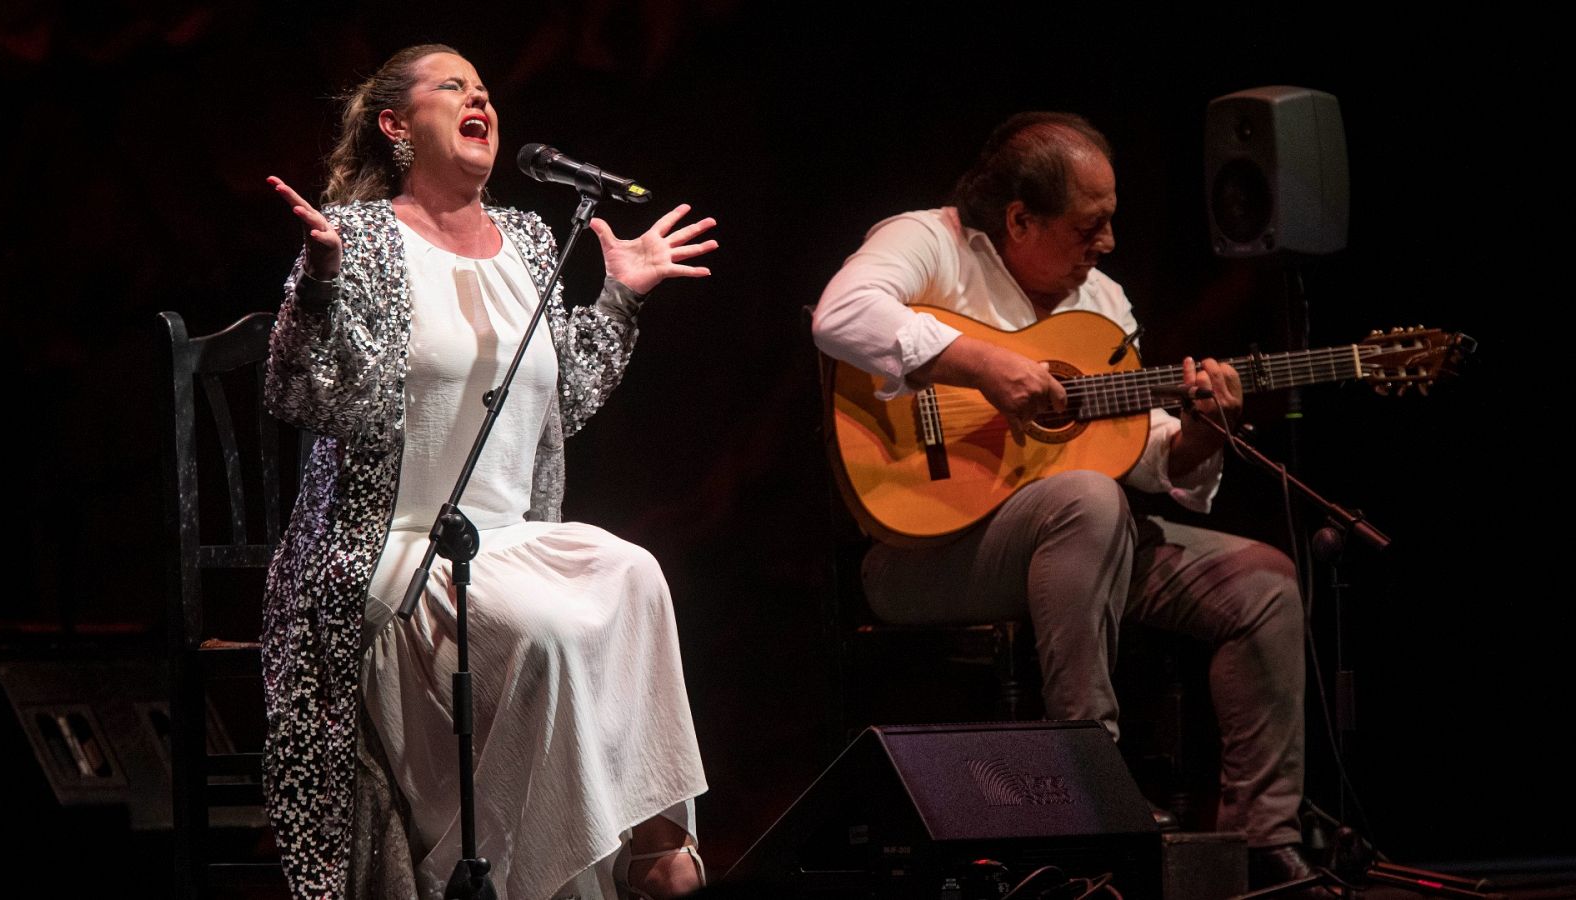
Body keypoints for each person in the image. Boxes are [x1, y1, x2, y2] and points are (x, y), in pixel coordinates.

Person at [811, 112, 1322, 892]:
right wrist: (982, 364)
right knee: (1085, 499)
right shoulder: (929, 241)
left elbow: (1145, 453)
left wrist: (1201, 436)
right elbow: (841, 314)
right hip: (923, 555)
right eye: (1092, 226)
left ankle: (1262, 841)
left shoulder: (1104, 301)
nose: (1108, 244)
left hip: (1082, 542)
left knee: (1264, 583)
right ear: (1020, 219)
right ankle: (1092, 795)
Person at [262, 44, 717, 900]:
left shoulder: (531, 240)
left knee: (636, 573)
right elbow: (311, 395)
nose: (480, 99)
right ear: (396, 125)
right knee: (547, 631)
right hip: (392, 550)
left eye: (484, 90)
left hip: (509, 538)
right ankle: (553, 877)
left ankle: (656, 851)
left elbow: (559, 401)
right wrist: (318, 290)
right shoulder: (357, 236)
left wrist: (620, 296)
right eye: (452, 88)